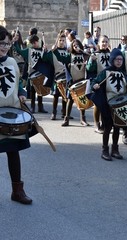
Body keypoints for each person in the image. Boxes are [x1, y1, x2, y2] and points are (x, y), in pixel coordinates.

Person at [0, 25, 32, 204]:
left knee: (13, 152)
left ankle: (17, 191)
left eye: (6, 43)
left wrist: (22, 93)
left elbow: (17, 83)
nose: (4, 47)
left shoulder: (12, 62)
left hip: (11, 115)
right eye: (0, 43)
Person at [91, 48, 127, 160]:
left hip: (120, 104)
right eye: (117, 59)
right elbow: (95, 81)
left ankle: (115, 150)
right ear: (112, 60)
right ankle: (104, 150)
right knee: (108, 127)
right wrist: (95, 85)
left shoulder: (123, 74)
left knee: (118, 127)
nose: (119, 61)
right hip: (108, 104)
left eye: (121, 59)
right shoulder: (105, 72)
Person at [53, 39, 90, 127]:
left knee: (82, 99)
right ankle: (66, 119)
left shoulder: (85, 55)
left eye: (78, 46)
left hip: (82, 80)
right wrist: (54, 49)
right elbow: (59, 57)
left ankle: (83, 119)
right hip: (72, 81)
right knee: (70, 100)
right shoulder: (69, 56)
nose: (76, 47)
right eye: (74, 46)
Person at [13, 34, 50, 113]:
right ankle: (33, 107)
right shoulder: (29, 50)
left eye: (35, 42)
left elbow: (47, 59)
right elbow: (19, 51)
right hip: (32, 73)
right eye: (32, 43)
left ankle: (40, 107)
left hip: (41, 72)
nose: (34, 44)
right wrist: (15, 42)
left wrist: (46, 51)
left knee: (40, 90)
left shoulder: (42, 50)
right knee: (33, 91)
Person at [86, 35, 111, 134]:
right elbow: (89, 69)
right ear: (99, 44)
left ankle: (105, 123)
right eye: (102, 42)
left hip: (109, 82)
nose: (104, 43)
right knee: (98, 104)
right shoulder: (95, 54)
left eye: (106, 41)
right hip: (98, 82)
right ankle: (97, 124)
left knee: (106, 104)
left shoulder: (111, 54)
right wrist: (92, 60)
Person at [49, 32, 68, 120]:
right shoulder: (54, 51)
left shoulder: (67, 51)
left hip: (65, 75)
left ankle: (64, 112)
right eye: (60, 40)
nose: (61, 42)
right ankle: (54, 112)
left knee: (65, 95)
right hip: (57, 75)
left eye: (63, 40)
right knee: (56, 95)